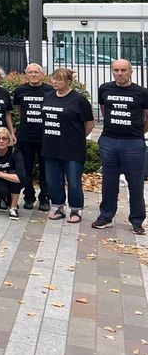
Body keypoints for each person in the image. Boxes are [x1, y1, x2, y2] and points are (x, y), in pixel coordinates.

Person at [92, 59, 148, 234]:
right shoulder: (104, 89)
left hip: (133, 142)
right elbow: (104, 110)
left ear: (131, 72)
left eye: (123, 70)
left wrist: (138, 132)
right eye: (116, 70)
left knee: (136, 182)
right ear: (112, 71)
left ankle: (137, 220)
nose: (119, 73)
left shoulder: (141, 92)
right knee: (109, 181)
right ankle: (106, 216)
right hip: (109, 140)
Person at [42, 67, 94, 224]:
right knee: (52, 180)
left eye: (59, 79)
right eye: (53, 78)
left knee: (73, 180)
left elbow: (90, 123)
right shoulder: (48, 96)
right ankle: (58, 207)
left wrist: (76, 138)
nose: (55, 82)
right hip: (51, 146)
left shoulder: (78, 100)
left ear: (68, 82)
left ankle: (76, 209)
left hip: (72, 148)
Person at [12, 63, 53, 211]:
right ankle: (28, 197)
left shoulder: (49, 90)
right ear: (26, 74)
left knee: (45, 169)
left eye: (36, 72)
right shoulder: (20, 90)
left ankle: (45, 198)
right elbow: (18, 109)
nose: (34, 75)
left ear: (42, 74)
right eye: (30, 72)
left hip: (46, 136)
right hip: (25, 136)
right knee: (26, 168)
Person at [0, 127, 27, 219]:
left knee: (14, 174)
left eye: (4, 138)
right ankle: (3, 199)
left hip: (11, 180)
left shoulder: (15, 152)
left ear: (9, 140)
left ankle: (13, 207)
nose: (1, 141)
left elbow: (21, 178)